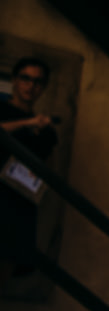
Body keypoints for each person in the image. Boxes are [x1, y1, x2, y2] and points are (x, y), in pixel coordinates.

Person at [2, 57, 57, 285]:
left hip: (18, 201)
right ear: (15, 81)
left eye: (37, 81)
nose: (30, 86)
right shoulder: (4, 109)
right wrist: (28, 123)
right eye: (25, 78)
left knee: (8, 260)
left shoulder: (46, 131)